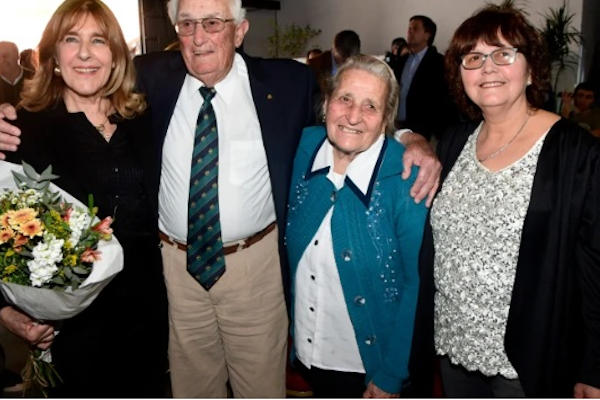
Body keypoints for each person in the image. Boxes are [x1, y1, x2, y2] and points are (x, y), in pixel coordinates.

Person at [0, 0, 441, 396]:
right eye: (187, 24)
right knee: (190, 387)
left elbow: (349, 116)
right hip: (171, 273)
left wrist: (409, 136)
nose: (199, 37)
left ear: (240, 30)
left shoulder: (287, 83)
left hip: (254, 269)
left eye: (213, 22)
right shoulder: (151, 80)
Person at [409, 5, 600, 397]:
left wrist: (594, 364)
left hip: (530, 359)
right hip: (453, 345)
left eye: (503, 54)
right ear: (460, 74)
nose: (487, 68)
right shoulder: (454, 140)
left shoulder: (574, 151)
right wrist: (408, 136)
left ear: (531, 70)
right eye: (474, 58)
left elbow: (596, 263)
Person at [0, 0, 168, 397]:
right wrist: (8, 314)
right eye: (71, 40)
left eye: (99, 40)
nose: (86, 53)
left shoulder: (144, 119)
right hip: (69, 333)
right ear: (53, 54)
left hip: (151, 317)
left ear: (116, 54)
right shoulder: (21, 130)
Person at [287, 54, 427, 398]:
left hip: (367, 368)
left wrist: (391, 374)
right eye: (344, 99)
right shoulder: (300, 147)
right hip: (308, 355)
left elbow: (416, 284)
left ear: (385, 120)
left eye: (370, 106)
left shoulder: (407, 176)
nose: (352, 116)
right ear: (327, 103)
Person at [393, 16, 456, 140]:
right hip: (398, 125)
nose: (409, 32)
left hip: (424, 129)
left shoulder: (439, 62)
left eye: (415, 28)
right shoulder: (403, 60)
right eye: (409, 28)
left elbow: (442, 98)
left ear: (427, 35)